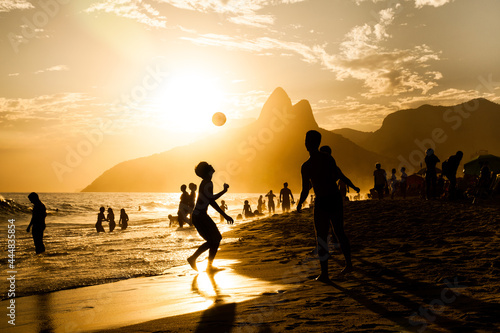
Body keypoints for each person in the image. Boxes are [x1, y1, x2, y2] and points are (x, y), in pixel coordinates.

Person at [297, 130, 360, 282]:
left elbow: (306, 188)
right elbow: (336, 175)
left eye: (307, 140)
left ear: (308, 143)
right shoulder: (328, 159)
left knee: (322, 236)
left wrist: (299, 204)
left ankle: (325, 274)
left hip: (323, 200)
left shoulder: (306, 166)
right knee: (339, 231)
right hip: (334, 198)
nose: (306, 143)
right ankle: (347, 265)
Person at [187, 162, 234, 272]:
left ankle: (206, 264)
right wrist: (224, 191)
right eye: (209, 166)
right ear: (207, 170)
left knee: (215, 240)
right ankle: (195, 259)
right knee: (215, 239)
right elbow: (211, 200)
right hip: (200, 217)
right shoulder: (208, 183)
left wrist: (224, 215)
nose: (212, 166)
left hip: (199, 216)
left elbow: (211, 201)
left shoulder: (206, 182)